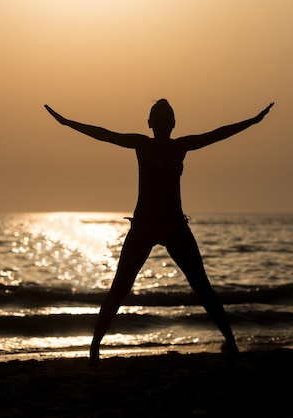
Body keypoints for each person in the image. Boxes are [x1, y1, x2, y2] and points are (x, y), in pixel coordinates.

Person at [44, 99, 274, 365]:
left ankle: (95, 349)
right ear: (162, 124)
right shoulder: (167, 145)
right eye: (162, 120)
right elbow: (217, 134)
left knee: (132, 288)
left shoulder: (156, 144)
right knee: (189, 288)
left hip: (169, 225)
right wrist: (66, 122)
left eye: (163, 120)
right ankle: (231, 346)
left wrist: (253, 121)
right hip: (150, 226)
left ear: (152, 124)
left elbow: (104, 134)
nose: (162, 124)